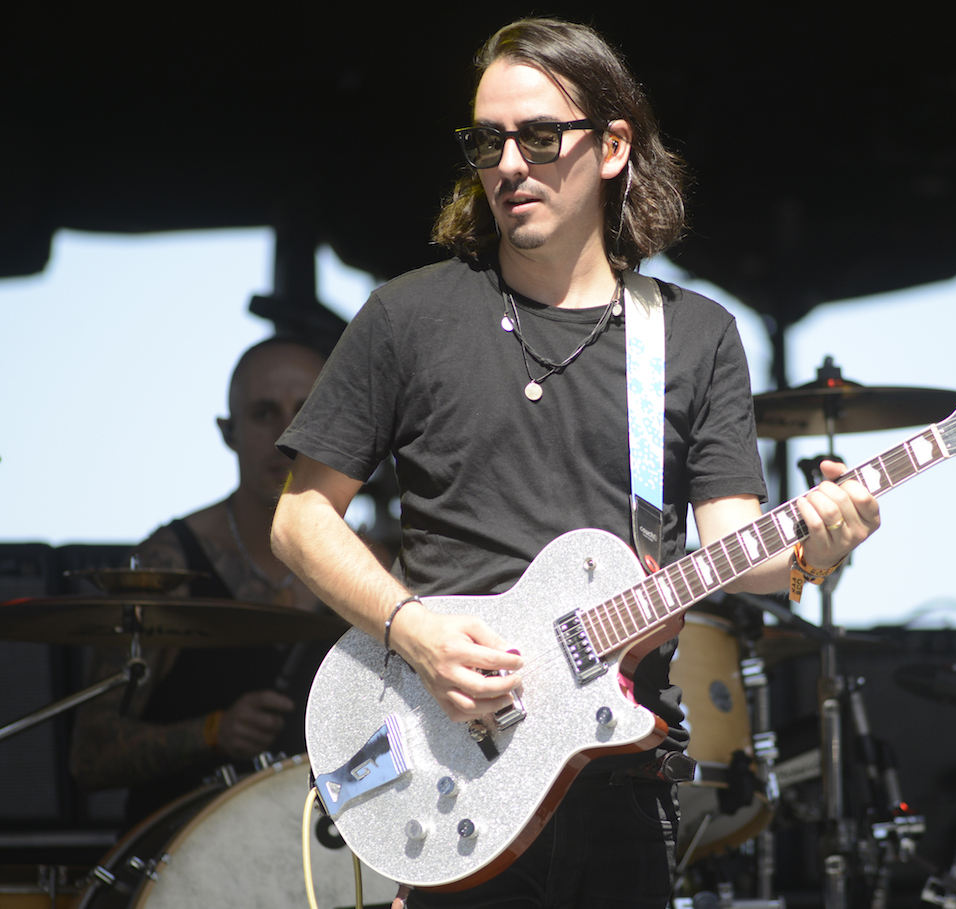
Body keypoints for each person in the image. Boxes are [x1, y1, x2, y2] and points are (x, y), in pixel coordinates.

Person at [270, 17, 880, 908]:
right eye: (488, 142)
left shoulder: (693, 335)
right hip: (454, 769)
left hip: (620, 781)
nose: (509, 164)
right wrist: (415, 632)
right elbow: (300, 518)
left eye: (540, 137)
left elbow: (737, 547)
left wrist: (815, 551)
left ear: (613, 146)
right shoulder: (407, 317)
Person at [69, 336, 333, 826]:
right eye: (263, 414)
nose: (286, 435)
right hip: (180, 852)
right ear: (228, 432)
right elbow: (90, 756)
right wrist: (212, 732)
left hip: (324, 854)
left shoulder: (378, 567)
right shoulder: (166, 564)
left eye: (307, 411)